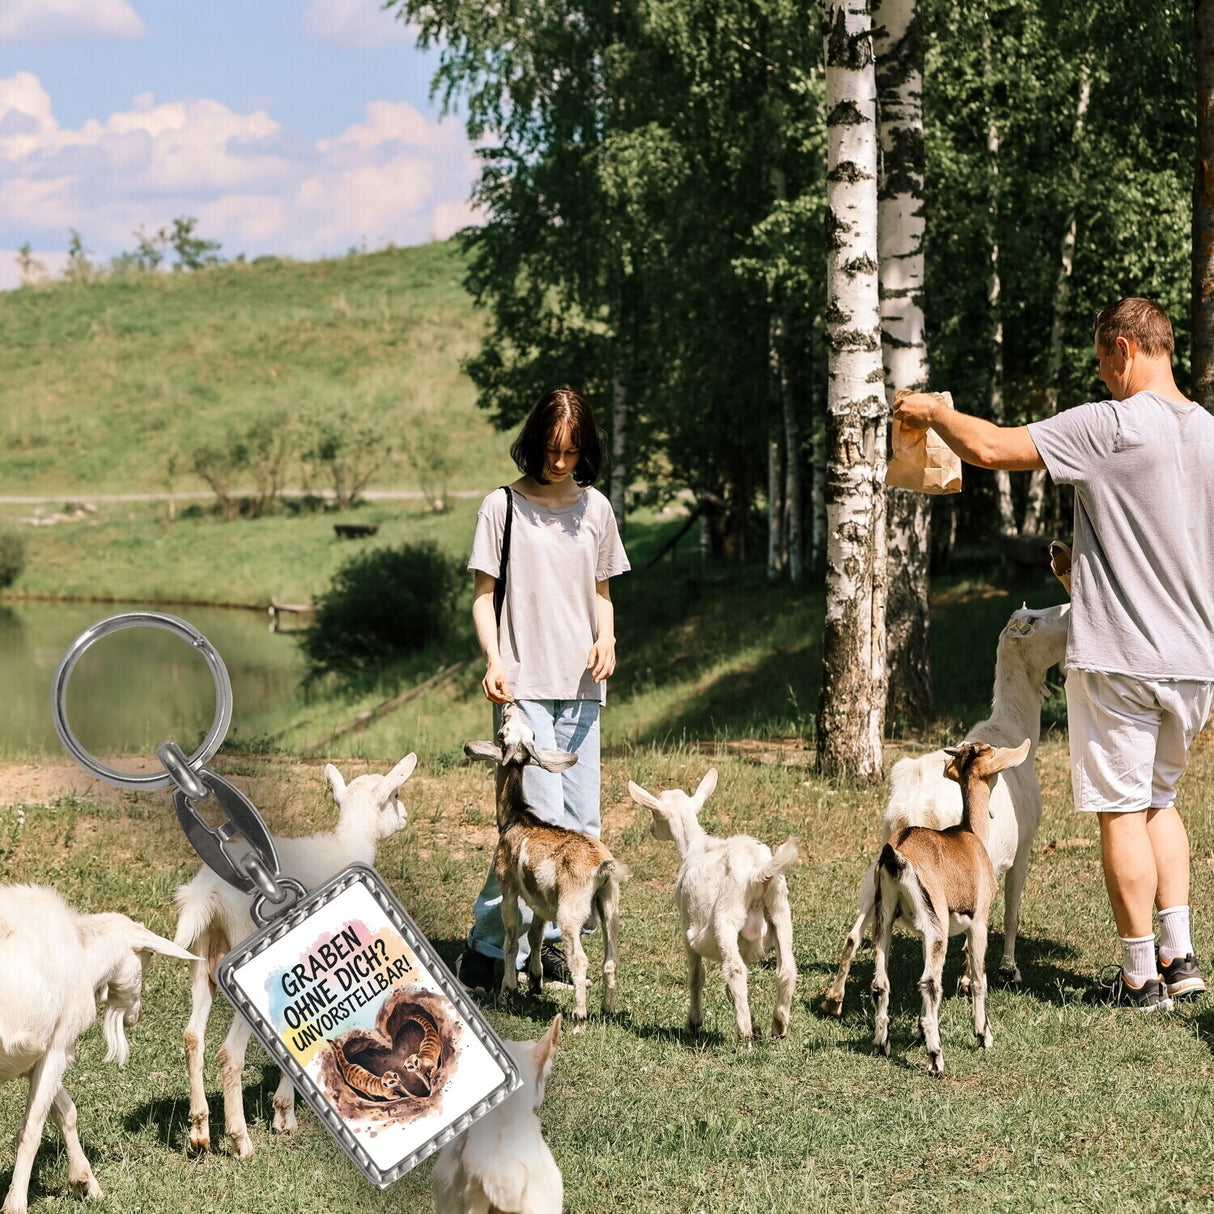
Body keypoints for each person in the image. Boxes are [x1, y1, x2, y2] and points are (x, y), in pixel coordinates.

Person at [895, 297, 1214, 1011]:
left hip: (1124, 658)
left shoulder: (1111, 424)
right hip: (1194, 658)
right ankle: (1180, 956)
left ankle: (1139, 979)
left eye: (1104, 365)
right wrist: (1089, 574)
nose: (1103, 380)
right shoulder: (1210, 436)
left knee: (1122, 810)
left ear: (1125, 351)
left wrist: (935, 414)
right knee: (1163, 800)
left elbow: (990, 448)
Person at [456, 388, 630, 990]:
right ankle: (485, 946)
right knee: (535, 824)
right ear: (535, 443)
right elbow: (484, 597)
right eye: (553, 450)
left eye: (572, 451)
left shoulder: (597, 510)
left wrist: (607, 641)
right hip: (523, 683)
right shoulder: (500, 508)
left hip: (582, 688)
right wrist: (494, 659)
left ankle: (551, 947)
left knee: (582, 825)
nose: (560, 462)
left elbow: (602, 594)